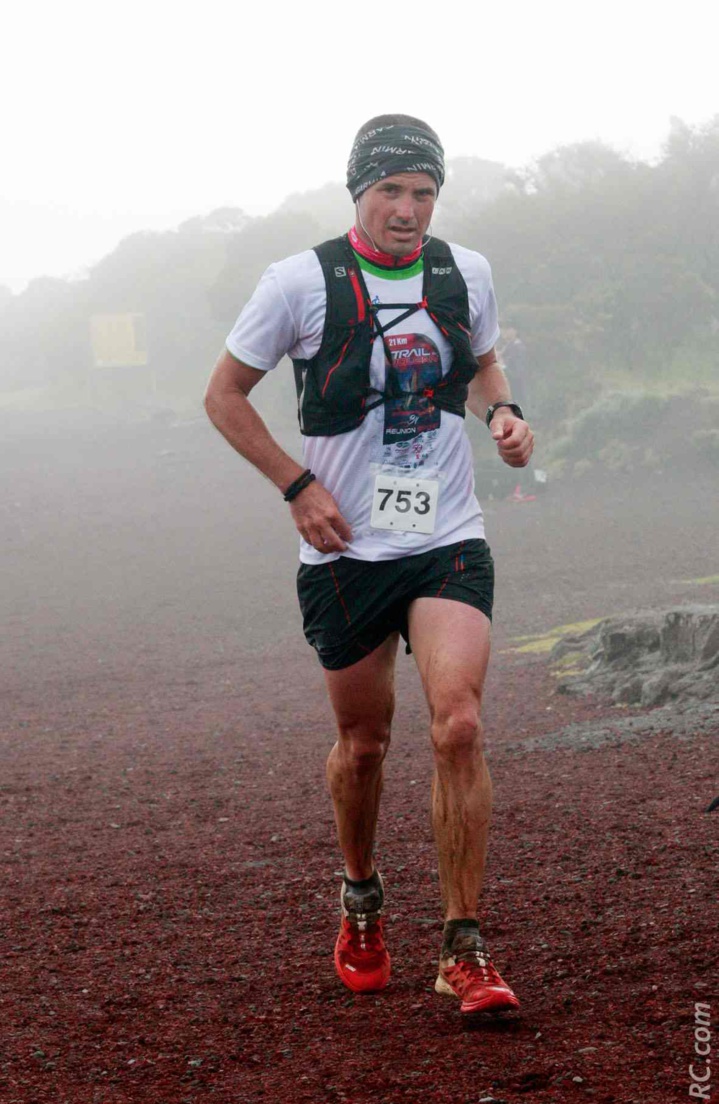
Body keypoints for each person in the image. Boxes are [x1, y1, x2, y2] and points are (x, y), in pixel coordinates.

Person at [204, 114, 534, 1017]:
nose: (408, 209)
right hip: (343, 548)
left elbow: (479, 361)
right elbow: (222, 396)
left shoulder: (463, 272)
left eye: (423, 193)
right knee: (365, 744)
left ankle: (463, 948)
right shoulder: (297, 281)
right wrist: (296, 487)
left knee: (457, 725)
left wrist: (502, 411)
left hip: (446, 536)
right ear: (359, 193)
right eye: (391, 191)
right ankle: (360, 897)